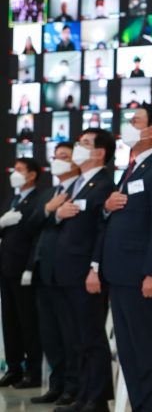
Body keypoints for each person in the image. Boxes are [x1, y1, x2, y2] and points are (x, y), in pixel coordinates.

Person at [102, 104, 152, 412]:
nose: (129, 125)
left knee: (147, 352)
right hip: (120, 276)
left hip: (142, 278)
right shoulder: (133, 167)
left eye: (135, 121)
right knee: (129, 354)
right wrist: (107, 207)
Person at [53, 130, 116, 412]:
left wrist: (95, 268)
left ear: (100, 152)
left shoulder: (104, 185)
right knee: (76, 338)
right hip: (67, 272)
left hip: (86, 273)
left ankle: (98, 399)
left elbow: (102, 230)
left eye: (85, 144)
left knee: (91, 337)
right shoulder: (78, 184)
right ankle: (83, 395)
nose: (79, 148)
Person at [25, 143, 80, 406]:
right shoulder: (49, 193)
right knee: (50, 334)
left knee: (69, 334)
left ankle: (72, 387)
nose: (58, 161)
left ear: (75, 162)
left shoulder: (80, 190)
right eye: (56, 157)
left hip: (67, 274)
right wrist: (49, 209)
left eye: (65, 157)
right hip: (44, 273)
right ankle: (55, 385)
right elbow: (30, 224)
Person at [0, 157, 43, 388]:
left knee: (29, 323)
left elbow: (36, 236)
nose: (14, 173)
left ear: (32, 174)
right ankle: (13, 368)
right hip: (5, 268)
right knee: (10, 322)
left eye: (19, 170)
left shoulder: (38, 200)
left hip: (25, 270)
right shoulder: (11, 200)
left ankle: (33, 371)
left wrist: (29, 268)